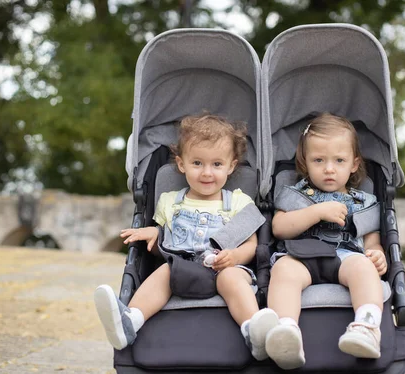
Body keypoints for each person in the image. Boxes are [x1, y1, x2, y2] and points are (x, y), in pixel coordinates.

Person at [94, 113, 279, 361]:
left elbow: (253, 245)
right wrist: (152, 233)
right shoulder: (171, 201)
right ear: (181, 164)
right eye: (197, 163)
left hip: (225, 267)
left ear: (231, 166)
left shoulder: (238, 202)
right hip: (184, 269)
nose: (206, 173)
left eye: (217, 164)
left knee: (233, 279)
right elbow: (163, 242)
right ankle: (130, 321)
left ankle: (253, 331)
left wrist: (234, 256)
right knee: (164, 273)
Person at [265, 113, 387, 370]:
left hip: (346, 256)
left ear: (354, 164)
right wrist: (315, 212)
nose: (329, 168)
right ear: (305, 163)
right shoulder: (297, 194)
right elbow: (279, 228)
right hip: (301, 255)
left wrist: (376, 254)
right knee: (283, 270)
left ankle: (367, 326)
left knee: (363, 268)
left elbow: (372, 240)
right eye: (319, 160)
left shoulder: (363, 201)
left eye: (339, 160)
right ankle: (286, 331)